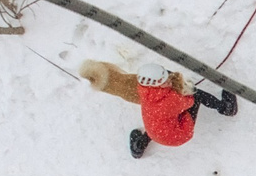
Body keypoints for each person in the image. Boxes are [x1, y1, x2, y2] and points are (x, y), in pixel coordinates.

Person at [78, 60, 239, 159]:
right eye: (165, 79)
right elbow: (188, 101)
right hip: (178, 134)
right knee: (197, 97)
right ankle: (225, 108)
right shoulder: (170, 101)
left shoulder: (144, 92)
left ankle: (138, 147)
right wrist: (187, 90)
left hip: (155, 131)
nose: (169, 80)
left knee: (159, 121)